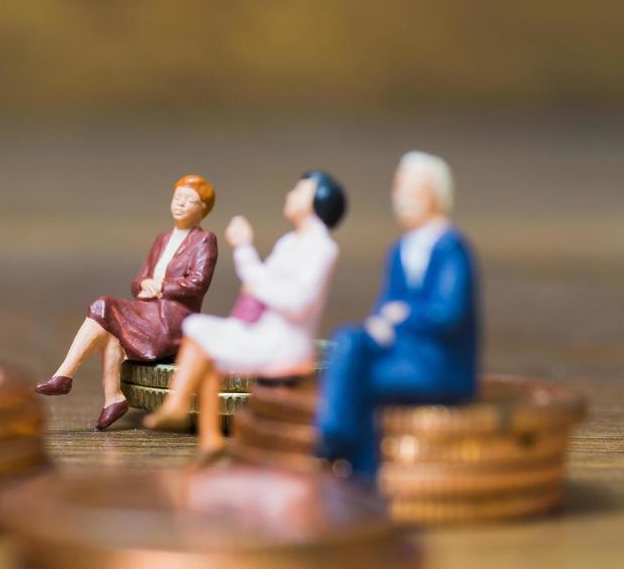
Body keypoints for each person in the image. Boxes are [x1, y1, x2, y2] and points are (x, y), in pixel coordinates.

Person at [143, 171, 346, 460]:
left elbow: (298, 302)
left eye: (299, 191)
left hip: (284, 343)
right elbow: (258, 279)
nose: (290, 196)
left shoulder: (322, 249)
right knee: (198, 330)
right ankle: (207, 435)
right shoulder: (290, 242)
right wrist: (244, 249)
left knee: (202, 338)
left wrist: (258, 279)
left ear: (316, 202)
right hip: (265, 330)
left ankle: (179, 408)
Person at [316, 152, 479, 480]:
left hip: (438, 365)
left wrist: (403, 318)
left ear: (434, 194)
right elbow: (386, 306)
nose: (400, 198)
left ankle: (354, 462)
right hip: (402, 353)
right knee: (348, 338)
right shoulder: (399, 250)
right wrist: (380, 325)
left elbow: (448, 313)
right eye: (398, 188)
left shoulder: (451, 248)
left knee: (358, 381)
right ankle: (335, 435)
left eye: (410, 190)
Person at [36, 176, 219, 431]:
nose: (180, 204)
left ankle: (65, 377)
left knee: (103, 306)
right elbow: (138, 280)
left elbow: (199, 282)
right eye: (177, 198)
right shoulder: (162, 239)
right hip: (148, 310)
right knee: (107, 327)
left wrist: (163, 287)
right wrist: (145, 285)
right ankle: (111, 397)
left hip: (172, 320)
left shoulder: (204, 240)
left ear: (203, 208)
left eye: (189, 201)